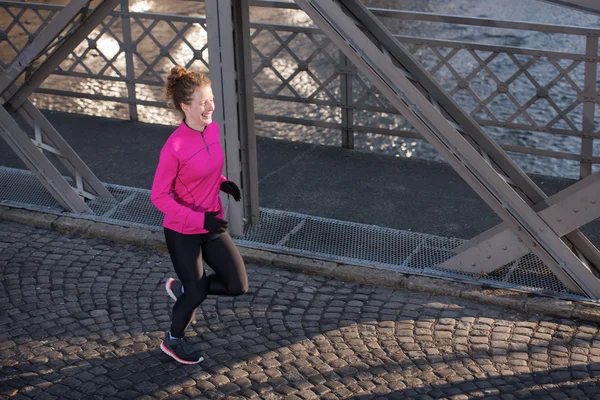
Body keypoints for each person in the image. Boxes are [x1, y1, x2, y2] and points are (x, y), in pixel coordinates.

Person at [150, 65, 248, 364]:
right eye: (203, 102)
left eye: (211, 99)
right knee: (196, 294)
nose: (210, 107)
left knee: (237, 286)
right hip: (183, 231)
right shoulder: (174, 147)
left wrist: (223, 182)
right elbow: (158, 197)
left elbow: (204, 172)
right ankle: (173, 340)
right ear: (185, 106)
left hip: (212, 222)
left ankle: (183, 287)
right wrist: (197, 219)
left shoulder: (213, 130)